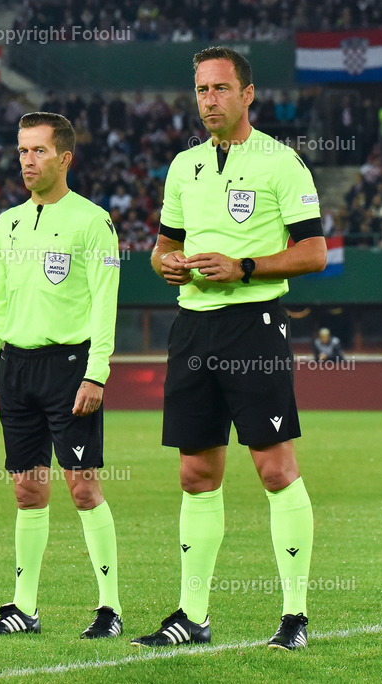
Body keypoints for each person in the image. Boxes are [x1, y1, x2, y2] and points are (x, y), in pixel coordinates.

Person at [130, 46, 326, 651]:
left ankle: (294, 616)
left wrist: (243, 266)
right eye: (201, 90)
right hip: (191, 328)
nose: (209, 100)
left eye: (220, 89)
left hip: (254, 325)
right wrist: (165, 264)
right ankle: (192, 615)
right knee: (195, 474)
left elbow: (313, 253)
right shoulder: (183, 166)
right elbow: (162, 245)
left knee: (273, 467)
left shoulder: (282, 163)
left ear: (247, 94)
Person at [0, 112, 123, 641]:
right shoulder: (7, 222)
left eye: (37, 151)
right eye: (21, 152)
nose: (27, 161)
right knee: (27, 492)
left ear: (64, 158)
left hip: (69, 370)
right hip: (15, 371)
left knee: (83, 488)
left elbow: (106, 306)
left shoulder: (93, 221)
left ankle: (109, 607)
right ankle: (24, 608)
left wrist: (95, 374)